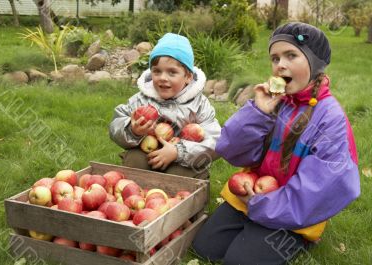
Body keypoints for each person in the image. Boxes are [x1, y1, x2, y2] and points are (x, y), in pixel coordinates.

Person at [192, 22, 360, 264]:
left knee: (240, 261)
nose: (280, 64)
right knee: (205, 247)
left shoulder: (330, 118)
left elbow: (325, 185)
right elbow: (233, 151)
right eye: (275, 58)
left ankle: (299, 239)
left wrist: (262, 205)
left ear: (315, 65)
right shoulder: (275, 101)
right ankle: (255, 228)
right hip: (253, 192)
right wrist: (258, 112)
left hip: (292, 210)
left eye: (291, 55)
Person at [109, 33, 221, 179]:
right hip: (148, 152)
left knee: (180, 176)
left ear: (188, 77)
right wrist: (132, 129)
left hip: (184, 160)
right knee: (134, 160)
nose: (162, 77)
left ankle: (181, 198)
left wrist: (178, 152)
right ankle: (134, 195)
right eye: (157, 71)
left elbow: (215, 141)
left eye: (172, 72)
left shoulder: (199, 105)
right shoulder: (141, 100)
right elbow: (115, 125)